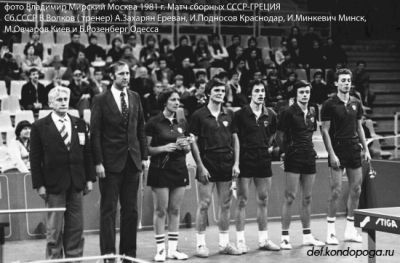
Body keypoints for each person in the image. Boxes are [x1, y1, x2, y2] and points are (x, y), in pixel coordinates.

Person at [90, 61, 148, 260]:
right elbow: (95, 134)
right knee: (108, 210)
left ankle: (128, 254)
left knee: (130, 211)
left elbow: (140, 128)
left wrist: (145, 156)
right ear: (112, 76)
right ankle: (108, 255)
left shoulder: (135, 97)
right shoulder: (100, 99)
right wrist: (98, 162)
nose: (126, 77)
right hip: (109, 164)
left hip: (132, 162)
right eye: (122, 73)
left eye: (128, 73)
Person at [30, 86, 95, 259]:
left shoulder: (79, 123)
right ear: (50, 103)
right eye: (59, 99)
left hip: (77, 183)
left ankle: (74, 259)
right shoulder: (39, 126)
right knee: (54, 229)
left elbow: (87, 153)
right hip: (53, 185)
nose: (63, 102)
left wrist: (90, 179)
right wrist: (39, 185)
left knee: (76, 228)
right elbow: (35, 159)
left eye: (65, 99)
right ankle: (54, 260)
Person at [189, 79, 241, 257]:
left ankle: (224, 243)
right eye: (216, 90)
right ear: (209, 93)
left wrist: (236, 163)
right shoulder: (198, 115)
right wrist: (200, 166)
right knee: (204, 204)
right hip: (207, 165)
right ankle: (200, 245)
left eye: (222, 90)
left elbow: (235, 139)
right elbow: (193, 142)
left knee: (225, 205)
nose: (220, 93)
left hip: (226, 164)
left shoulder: (229, 115)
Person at [320, 68, 371, 245]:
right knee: (335, 191)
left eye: (348, 80)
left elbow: (359, 128)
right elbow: (324, 130)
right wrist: (331, 153)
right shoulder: (329, 104)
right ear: (336, 83)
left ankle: (350, 230)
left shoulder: (356, 102)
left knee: (356, 189)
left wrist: (366, 149)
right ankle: (331, 232)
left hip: (354, 149)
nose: (346, 83)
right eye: (343, 80)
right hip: (337, 149)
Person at [233, 81, 280, 253]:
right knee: (242, 201)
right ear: (250, 94)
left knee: (263, 200)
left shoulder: (271, 114)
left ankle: (263, 240)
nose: (260, 94)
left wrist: (266, 146)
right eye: (257, 91)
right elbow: (235, 138)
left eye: (262, 91)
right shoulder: (240, 114)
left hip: (263, 160)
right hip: (245, 160)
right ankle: (240, 241)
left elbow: (273, 134)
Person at [277, 82, 325, 249]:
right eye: (302, 92)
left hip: (309, 157)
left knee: (307, 197)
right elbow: (280, 136)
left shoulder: (313, 111)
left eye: (307, 92)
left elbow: (311, 133)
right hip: (293, 157)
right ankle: (284, 237)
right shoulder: (288, 113)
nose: (305, 94)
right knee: (290, 197)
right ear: (296, 95)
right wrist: (284, 154)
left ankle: (307, 236)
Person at [145, 89, 191, 261]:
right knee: (160, 210)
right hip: (160, 170)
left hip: (179, 169)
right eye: (173, 99)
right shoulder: (153, 123)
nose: (176, 102)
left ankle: (173, 249)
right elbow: (146, 149)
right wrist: (164, 148)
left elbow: (186, 148)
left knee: (175, 209)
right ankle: (160, 251)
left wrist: (185, 146)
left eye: (178, 99)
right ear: (165, 102)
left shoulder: (182, 123)